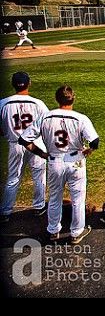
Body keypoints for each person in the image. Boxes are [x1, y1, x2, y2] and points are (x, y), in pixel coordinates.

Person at [19, 85, 99, 244]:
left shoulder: (45, 117)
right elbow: (95, 141)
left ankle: (53, 231)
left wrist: (41, 154)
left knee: (55, 198)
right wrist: (89, 150)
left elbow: (23, 140)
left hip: (54, 161)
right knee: (78, 199)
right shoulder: (80, 118)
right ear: (73, 98)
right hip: (76, 161)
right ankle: (76, 233)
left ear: (57, 99)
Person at [0, 72, 49, 223]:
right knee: (39, 177)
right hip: (36, 144)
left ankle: (6, 211)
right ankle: (39, 206)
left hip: (15, 144)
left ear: (13, 84)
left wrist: (7, 134)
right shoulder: (37, 103)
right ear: (29, 83)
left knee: (13, 178)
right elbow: (47, 125)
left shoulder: (3, 103)